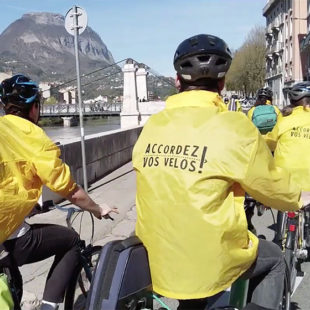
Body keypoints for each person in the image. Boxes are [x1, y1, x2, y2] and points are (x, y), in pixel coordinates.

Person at [132, 34, 309, 310]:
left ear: (177, 82)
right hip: (208, 259)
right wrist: (299, 197)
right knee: (274, 261)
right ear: (223, 83)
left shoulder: (152, 127)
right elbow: (269, 184)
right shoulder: (233, 126)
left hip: (154, 256)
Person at [0, 74, 118, 310]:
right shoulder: (34, 138)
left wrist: (27, 206)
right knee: (72, 241)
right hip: (9, 236)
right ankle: (49, 307)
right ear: (35, 108)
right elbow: (70, 191)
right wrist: (97, 209)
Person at [265, 81, 310, 244]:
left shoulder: (284, 120)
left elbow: (269, 141)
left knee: (285, 203)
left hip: (285, 178)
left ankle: (281, 235)